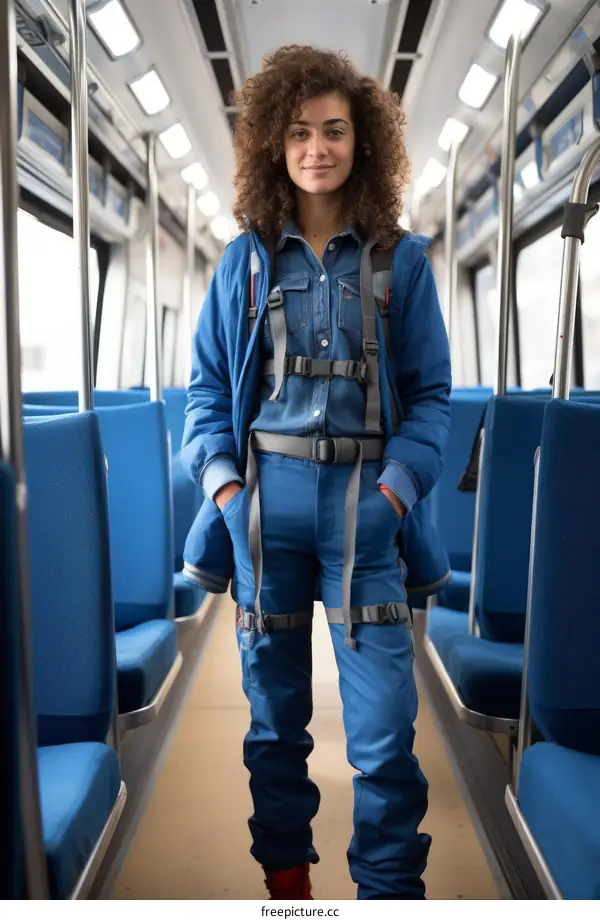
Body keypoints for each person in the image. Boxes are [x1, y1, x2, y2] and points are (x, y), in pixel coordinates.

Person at [181, 45, 451, 900]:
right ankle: (290, 892)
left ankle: (387, 895)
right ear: (275, 145)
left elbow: (434, 399)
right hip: (264, 511)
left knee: (382, 735)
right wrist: (227, 495)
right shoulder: (245, 263)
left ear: (361, 142)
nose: (317, 149)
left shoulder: (401, 264)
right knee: (274, 728)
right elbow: (202, 396)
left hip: (366, 512)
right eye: (299, 133)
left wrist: (392, 496)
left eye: (334, 131)